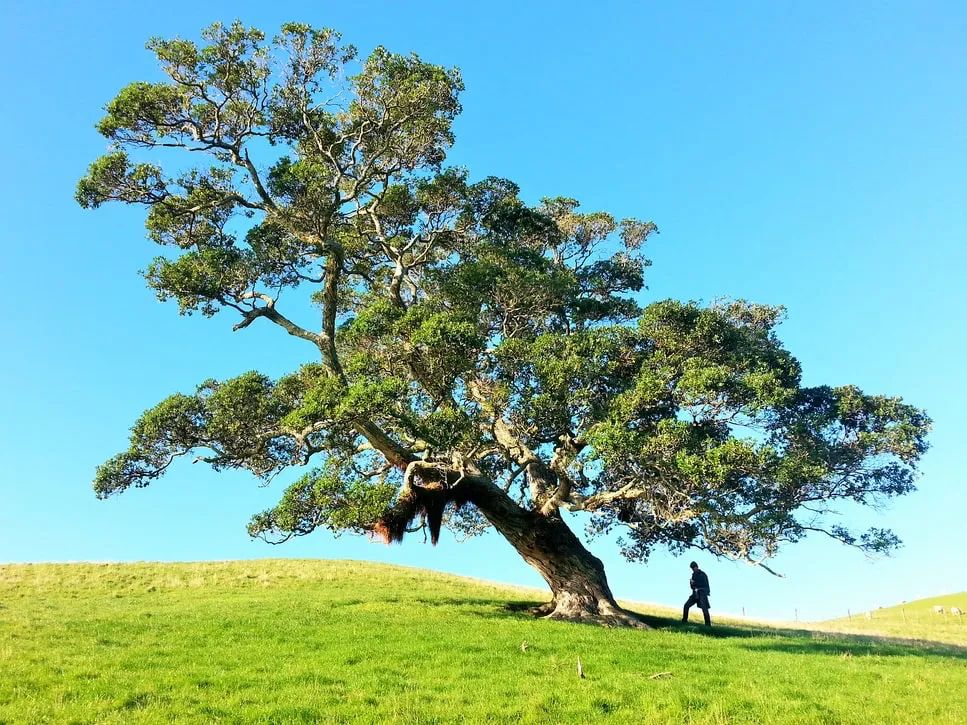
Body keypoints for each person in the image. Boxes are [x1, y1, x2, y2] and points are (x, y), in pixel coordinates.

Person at [682, 561, 711, 626]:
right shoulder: (693, 575)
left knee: (704, 609)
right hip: (695, 594)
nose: (693, 569)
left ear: (696, 567)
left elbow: (704, 585)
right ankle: (684, 621)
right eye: (692, 568)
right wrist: (691, 583)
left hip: (702, 593)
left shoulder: (702, 574)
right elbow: (692, 587)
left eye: (694, 567)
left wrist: (694, 583)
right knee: (686, 605)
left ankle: (708, 625)